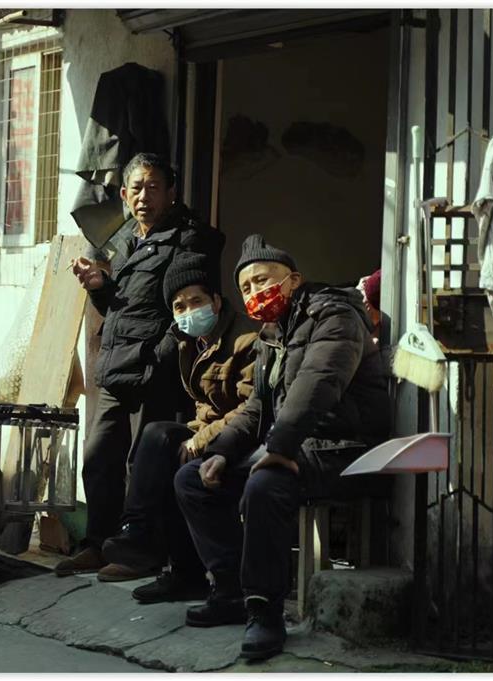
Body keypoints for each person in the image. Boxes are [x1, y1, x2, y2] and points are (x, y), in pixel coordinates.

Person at [174, 234, 391, 661]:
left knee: (265, 483)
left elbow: (318, 384)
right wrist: (221, 450)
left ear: (293, 279)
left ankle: (264, 610)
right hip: (300, 443)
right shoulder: (271, 334)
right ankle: (231, 590)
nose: (255, 292)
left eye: (263, 280)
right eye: (247, 288)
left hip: (346, 447)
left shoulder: (334, 314)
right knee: (192, 479)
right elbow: (258, 407)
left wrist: (279, 446)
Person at [60, 153, 225, 576]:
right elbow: (125, 306)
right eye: (136, 187)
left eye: (153, 187)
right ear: (123, 194)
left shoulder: (189, 239)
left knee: (144, 465)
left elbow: (190, 309)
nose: (144, 196)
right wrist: (101, 287)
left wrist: (161, 358)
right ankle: (99, 542)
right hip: (118, 368)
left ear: (171, 192)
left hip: (155, 370)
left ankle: (143, 549)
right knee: (99, 460)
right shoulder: (129, 239)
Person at [96, 251, 258, 601]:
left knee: (174, 453)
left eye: (196, 301)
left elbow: (252, 407)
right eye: (179, 307)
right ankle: (148, 541)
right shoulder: (189, 342)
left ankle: (158, 550)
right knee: (160, 438)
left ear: (216, 301)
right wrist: (196, 436)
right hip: (214, 432)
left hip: (243, 437)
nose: (188, 312)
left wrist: (202, 440)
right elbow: (204, 406)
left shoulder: (245, 339)